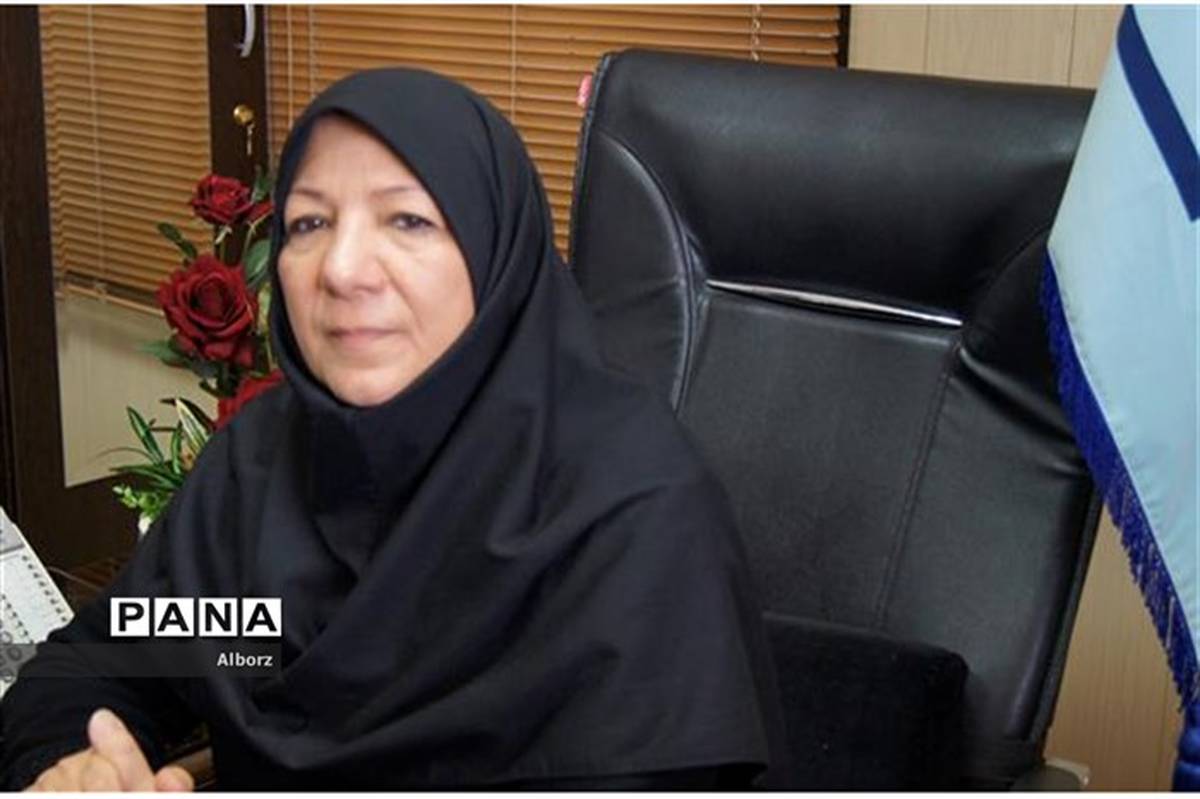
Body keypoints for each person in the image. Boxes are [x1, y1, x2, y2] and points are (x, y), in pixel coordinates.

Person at [0, 68, 784, 790]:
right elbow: (106, 663)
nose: (342, 269)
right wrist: (82, 768)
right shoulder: (261, 472)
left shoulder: (627, 513)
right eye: (308, 222)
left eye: (407, 219)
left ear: (497, 252)